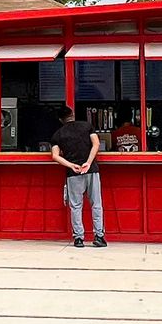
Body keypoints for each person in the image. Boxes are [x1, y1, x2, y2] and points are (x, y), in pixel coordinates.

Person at [49, 104, 105, 247]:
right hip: (91, 170)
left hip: (73, 173)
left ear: (60, 120)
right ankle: (99, 236)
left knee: (76, 206)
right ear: (72, 114)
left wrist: (71, 165)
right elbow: (96, 144)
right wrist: (88, 162)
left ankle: (79, 238)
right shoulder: (87, 126)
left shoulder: (57, 134)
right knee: (96, 204)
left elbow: (55, 156)